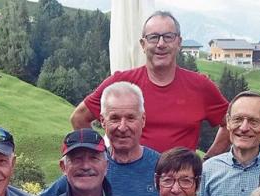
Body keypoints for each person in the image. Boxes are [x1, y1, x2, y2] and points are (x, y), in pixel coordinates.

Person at [72, 11, 230, 156]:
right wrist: (102, 157)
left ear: (179, 42)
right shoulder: (121, 83)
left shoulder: (200, 86)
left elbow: (231, 124)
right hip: (131, 181)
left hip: (179, 183)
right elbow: (79, 118)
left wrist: (208, 161)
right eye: (153, 37)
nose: (161, 44)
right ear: (143, 44)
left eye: (168, 37)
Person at [42, 82, 162, 196]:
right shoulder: (88, 170)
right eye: (115, 118)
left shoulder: (162, 168)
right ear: (103, 121)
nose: (122, 127)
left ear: (143, 120)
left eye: (130, 118)